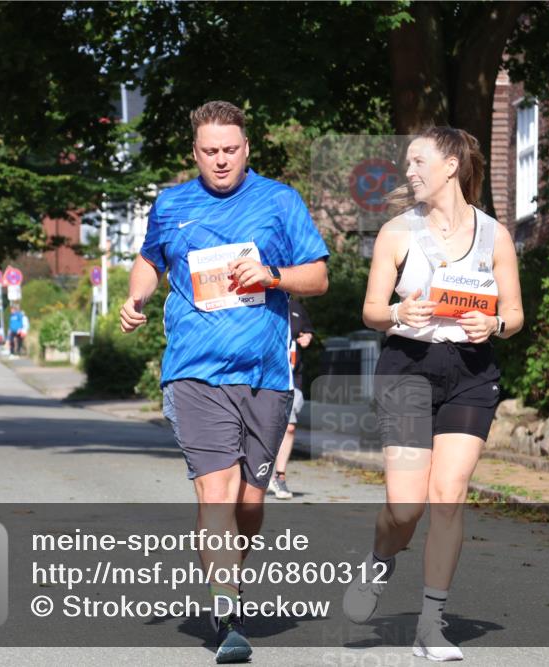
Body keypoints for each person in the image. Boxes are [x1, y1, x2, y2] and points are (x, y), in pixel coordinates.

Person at [119, 100, 328, 664]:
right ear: (195, 152)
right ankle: (226, 609)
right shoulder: (172, 204)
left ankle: (230, 575)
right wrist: (136, 296)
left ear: (246, 149)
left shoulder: (279, 202)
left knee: (251, 504)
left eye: (229, 150)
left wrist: (273, 274)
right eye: (209, 151)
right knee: (218, 491)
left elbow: (319, 275)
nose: (220, 160)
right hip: (195, 371)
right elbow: (150, 260)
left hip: (265, 374)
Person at [342, 127, 523, 661]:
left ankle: (431, 623)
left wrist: (491, 324)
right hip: (408, 369)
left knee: (448, 494)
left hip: (471, 371)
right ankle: (379, 560)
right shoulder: (397, 232)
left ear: (450, 165)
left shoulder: (497, 237)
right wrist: (400, 313)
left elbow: (514, 315)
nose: (409, 171)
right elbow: (372, 311)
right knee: (405, 508)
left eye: (418, 161)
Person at [267, 299, 315, 500]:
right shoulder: (262, 303)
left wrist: (307, 338)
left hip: (292, 377)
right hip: (265, 376)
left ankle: (279, 476)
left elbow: (306, 331)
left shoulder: (296, 307)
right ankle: (256, 472)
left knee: (290, 426)